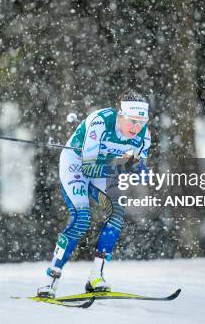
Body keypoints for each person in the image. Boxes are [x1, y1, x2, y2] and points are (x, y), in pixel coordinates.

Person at [36, 90, 151, 298]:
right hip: (76, 165)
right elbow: (89, 169)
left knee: (117, 212)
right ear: (121, 115)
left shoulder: (144, 135)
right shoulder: (100, 122)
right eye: (133, 121)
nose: (137, 127)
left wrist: (141, 171)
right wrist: (124, 167)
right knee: (82, 219)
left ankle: (96, 276)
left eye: (142, 122)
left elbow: (138, 167)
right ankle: (50, 280)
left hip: (103, 168)